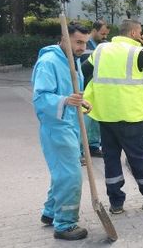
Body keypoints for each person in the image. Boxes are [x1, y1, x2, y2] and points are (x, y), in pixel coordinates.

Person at [82, 19, 143, 214]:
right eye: (139, 33)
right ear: (132, 34)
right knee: (140, 158)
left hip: (105, 115)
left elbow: (85, 72)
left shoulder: (101, 50)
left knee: (111, 159)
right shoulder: (136, 52)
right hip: (131, 116)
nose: (141, 36)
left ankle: (116, 203)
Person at [31, 22, 91, 240]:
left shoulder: (72, 60)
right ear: (64, 39)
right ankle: (64, 224)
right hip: (56, 128)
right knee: (70, 175)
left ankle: (49, 212)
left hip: (69, 124)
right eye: (78, 42)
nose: (82, 47)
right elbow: (40, 98)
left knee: (63, 173)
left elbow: (71, 92)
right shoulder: (49, 62)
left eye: (84, 42)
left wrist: (79, 102)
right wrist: (66, 100)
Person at [80, 19, 110, 157]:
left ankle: (93, 146)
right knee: (84, 121)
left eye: (106, 34)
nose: (105, 37)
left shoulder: (104, 45)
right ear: (94, 30)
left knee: (95, 121)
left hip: (98, 89)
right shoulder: (84, 44)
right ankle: (80, 150)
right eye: (102, 33)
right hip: (85, 88)